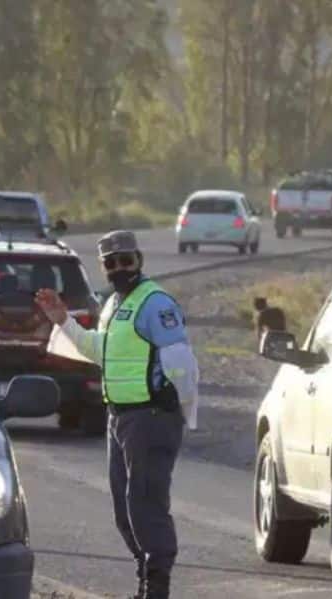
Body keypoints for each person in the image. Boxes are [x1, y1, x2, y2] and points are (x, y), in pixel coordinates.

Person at [35, 230, 199, 599]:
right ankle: (146, 577)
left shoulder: (155, 303)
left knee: (146, 505)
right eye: (111, 262)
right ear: (103, 266)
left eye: (126, 260)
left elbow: (182, 363)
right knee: (125, 510)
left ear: (139, 260)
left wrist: (183, 410)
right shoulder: (112, 305)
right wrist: (64, 321)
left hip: (151, 417)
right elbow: (100, 351)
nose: (119, 267)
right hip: (120, 418)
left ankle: (156, 588)